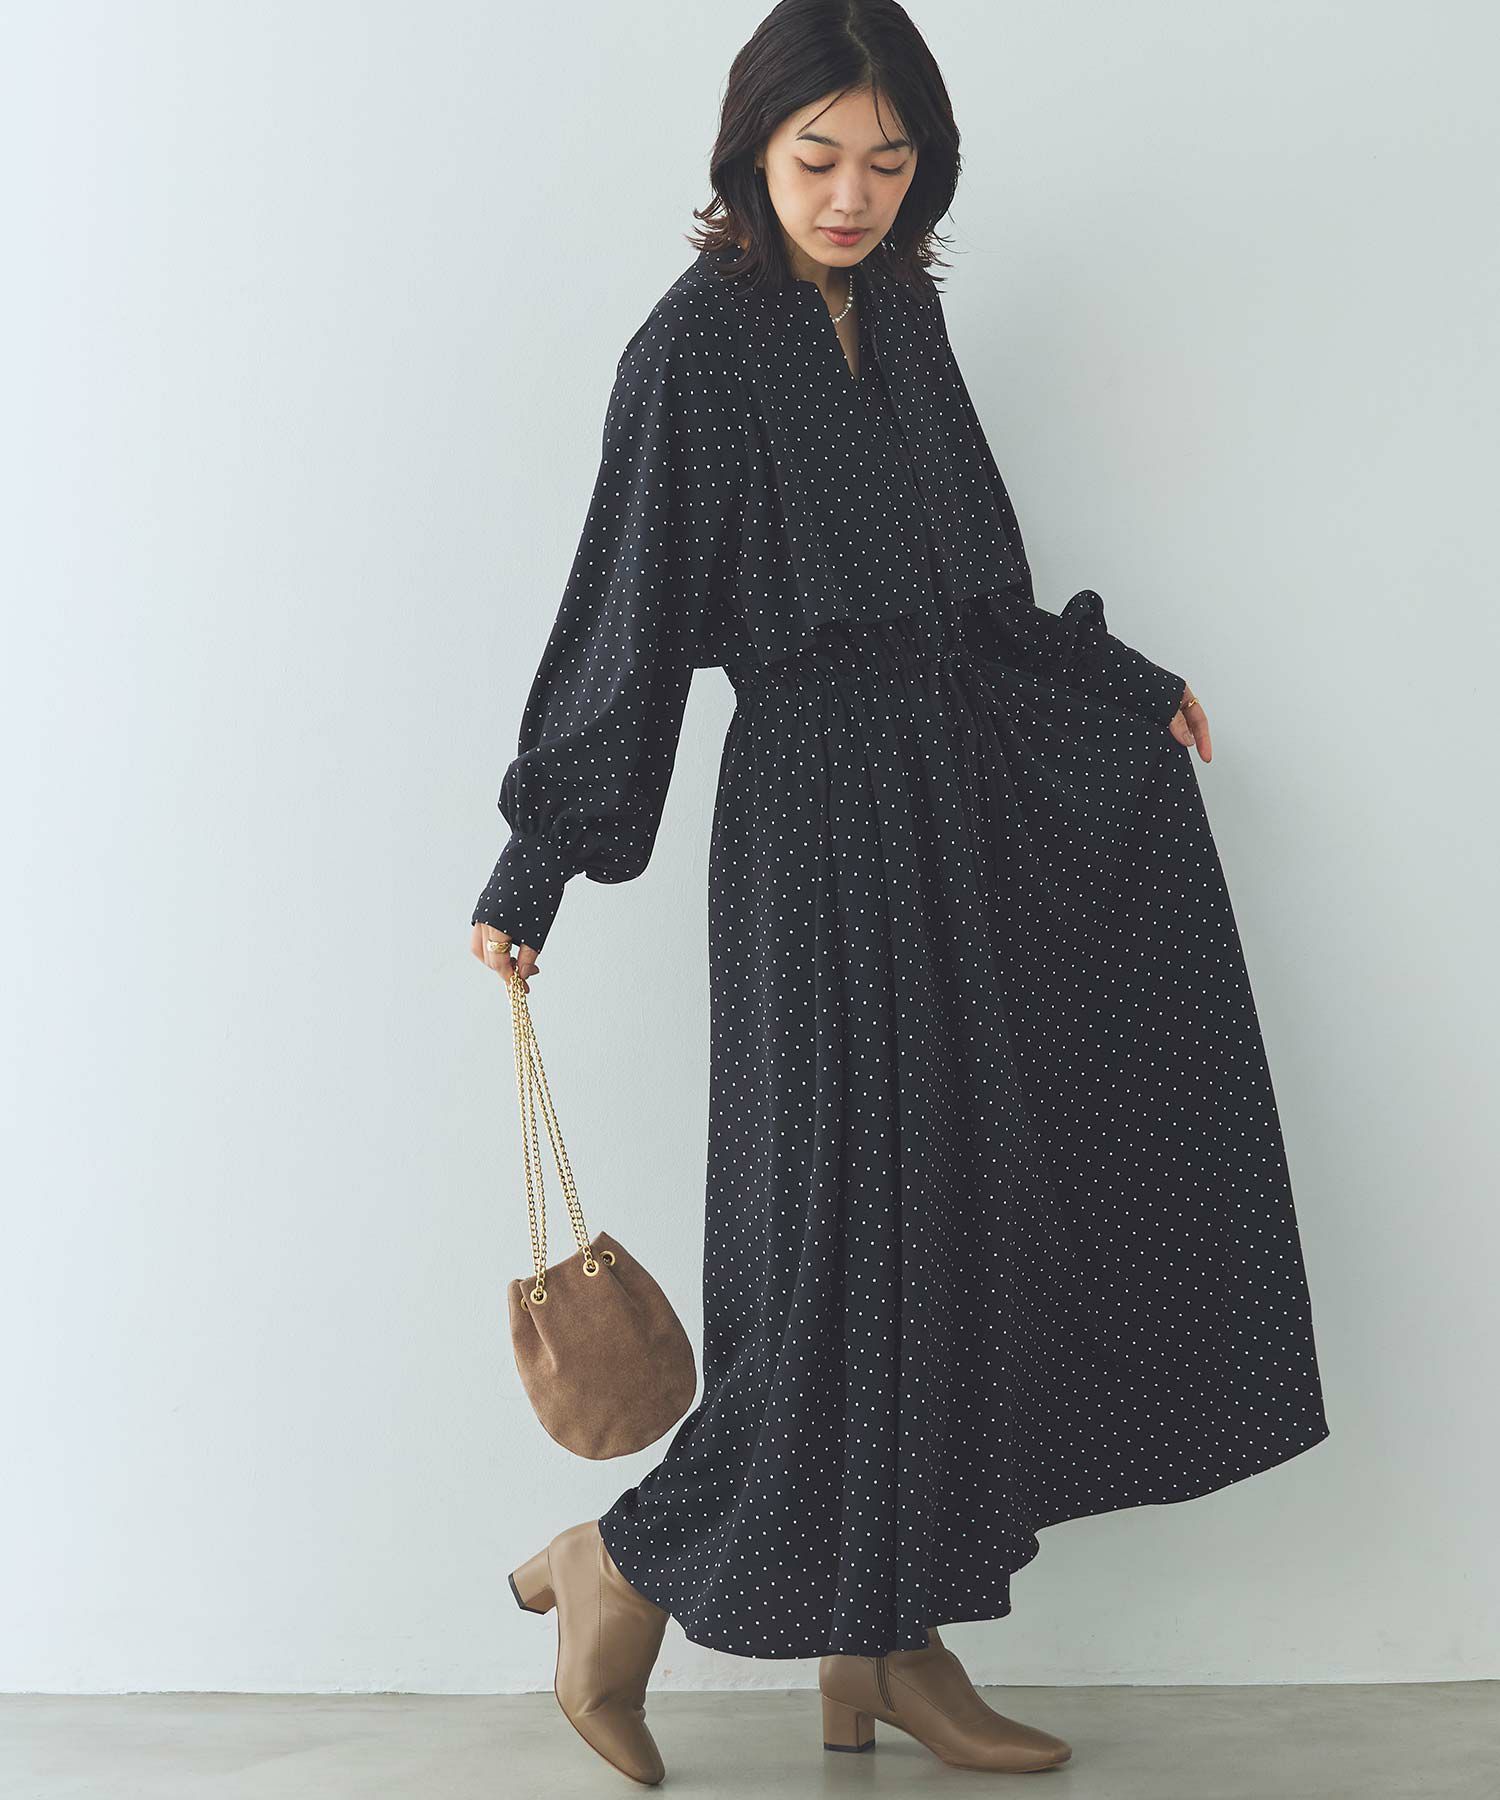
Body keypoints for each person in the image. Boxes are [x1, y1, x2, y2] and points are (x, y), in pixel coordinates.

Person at [469, 2, 1330, 1784]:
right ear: (751, 154)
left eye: (888, 160)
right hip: (813, 827)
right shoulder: (696, 351)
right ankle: (618, 1564)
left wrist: (1116, 685)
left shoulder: (907, 316)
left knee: (947, 1240)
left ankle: (883, 1642)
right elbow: (627, 609)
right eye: (818, 159)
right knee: (833, 1258)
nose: (852, 195)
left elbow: (977, 584)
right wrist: (540, 856)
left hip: (949, 807)